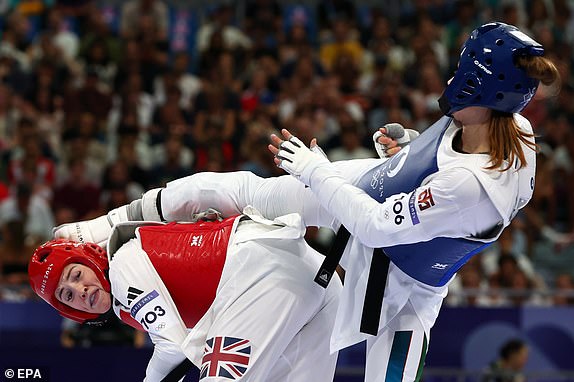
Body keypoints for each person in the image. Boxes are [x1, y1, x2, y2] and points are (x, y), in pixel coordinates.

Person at [53, 22, 559, 382]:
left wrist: (314, 170)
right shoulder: (511, 124)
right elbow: (441, 168)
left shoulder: (475, 185)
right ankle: (101, 228)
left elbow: (380, 228)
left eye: (462, 72)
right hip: (381, 187)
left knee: (386, 355)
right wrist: (410, 151)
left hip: (404, 269)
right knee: (239, 189)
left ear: (482, 89)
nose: (451, 79)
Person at [29, 207, 341, 381]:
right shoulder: (129, 284)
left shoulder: (123, 266)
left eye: (75, 275)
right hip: (314, 280)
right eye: (67, 296)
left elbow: (175, 348)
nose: (79, 291)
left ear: (91, 259)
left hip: (263, 273)